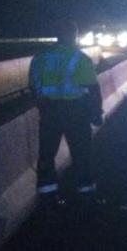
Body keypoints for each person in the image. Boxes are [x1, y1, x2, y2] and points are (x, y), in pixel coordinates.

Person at [29, 22, 103, 202]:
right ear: (74, 36)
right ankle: (85, 193)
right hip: (75, 112)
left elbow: (33, 88)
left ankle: (47, 194)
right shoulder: (79, 58)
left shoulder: (39, 58)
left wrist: (43, 107)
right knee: (81, 153)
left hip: (49, 112)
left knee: (47, 154)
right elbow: (93, 90)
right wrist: (96, 115)